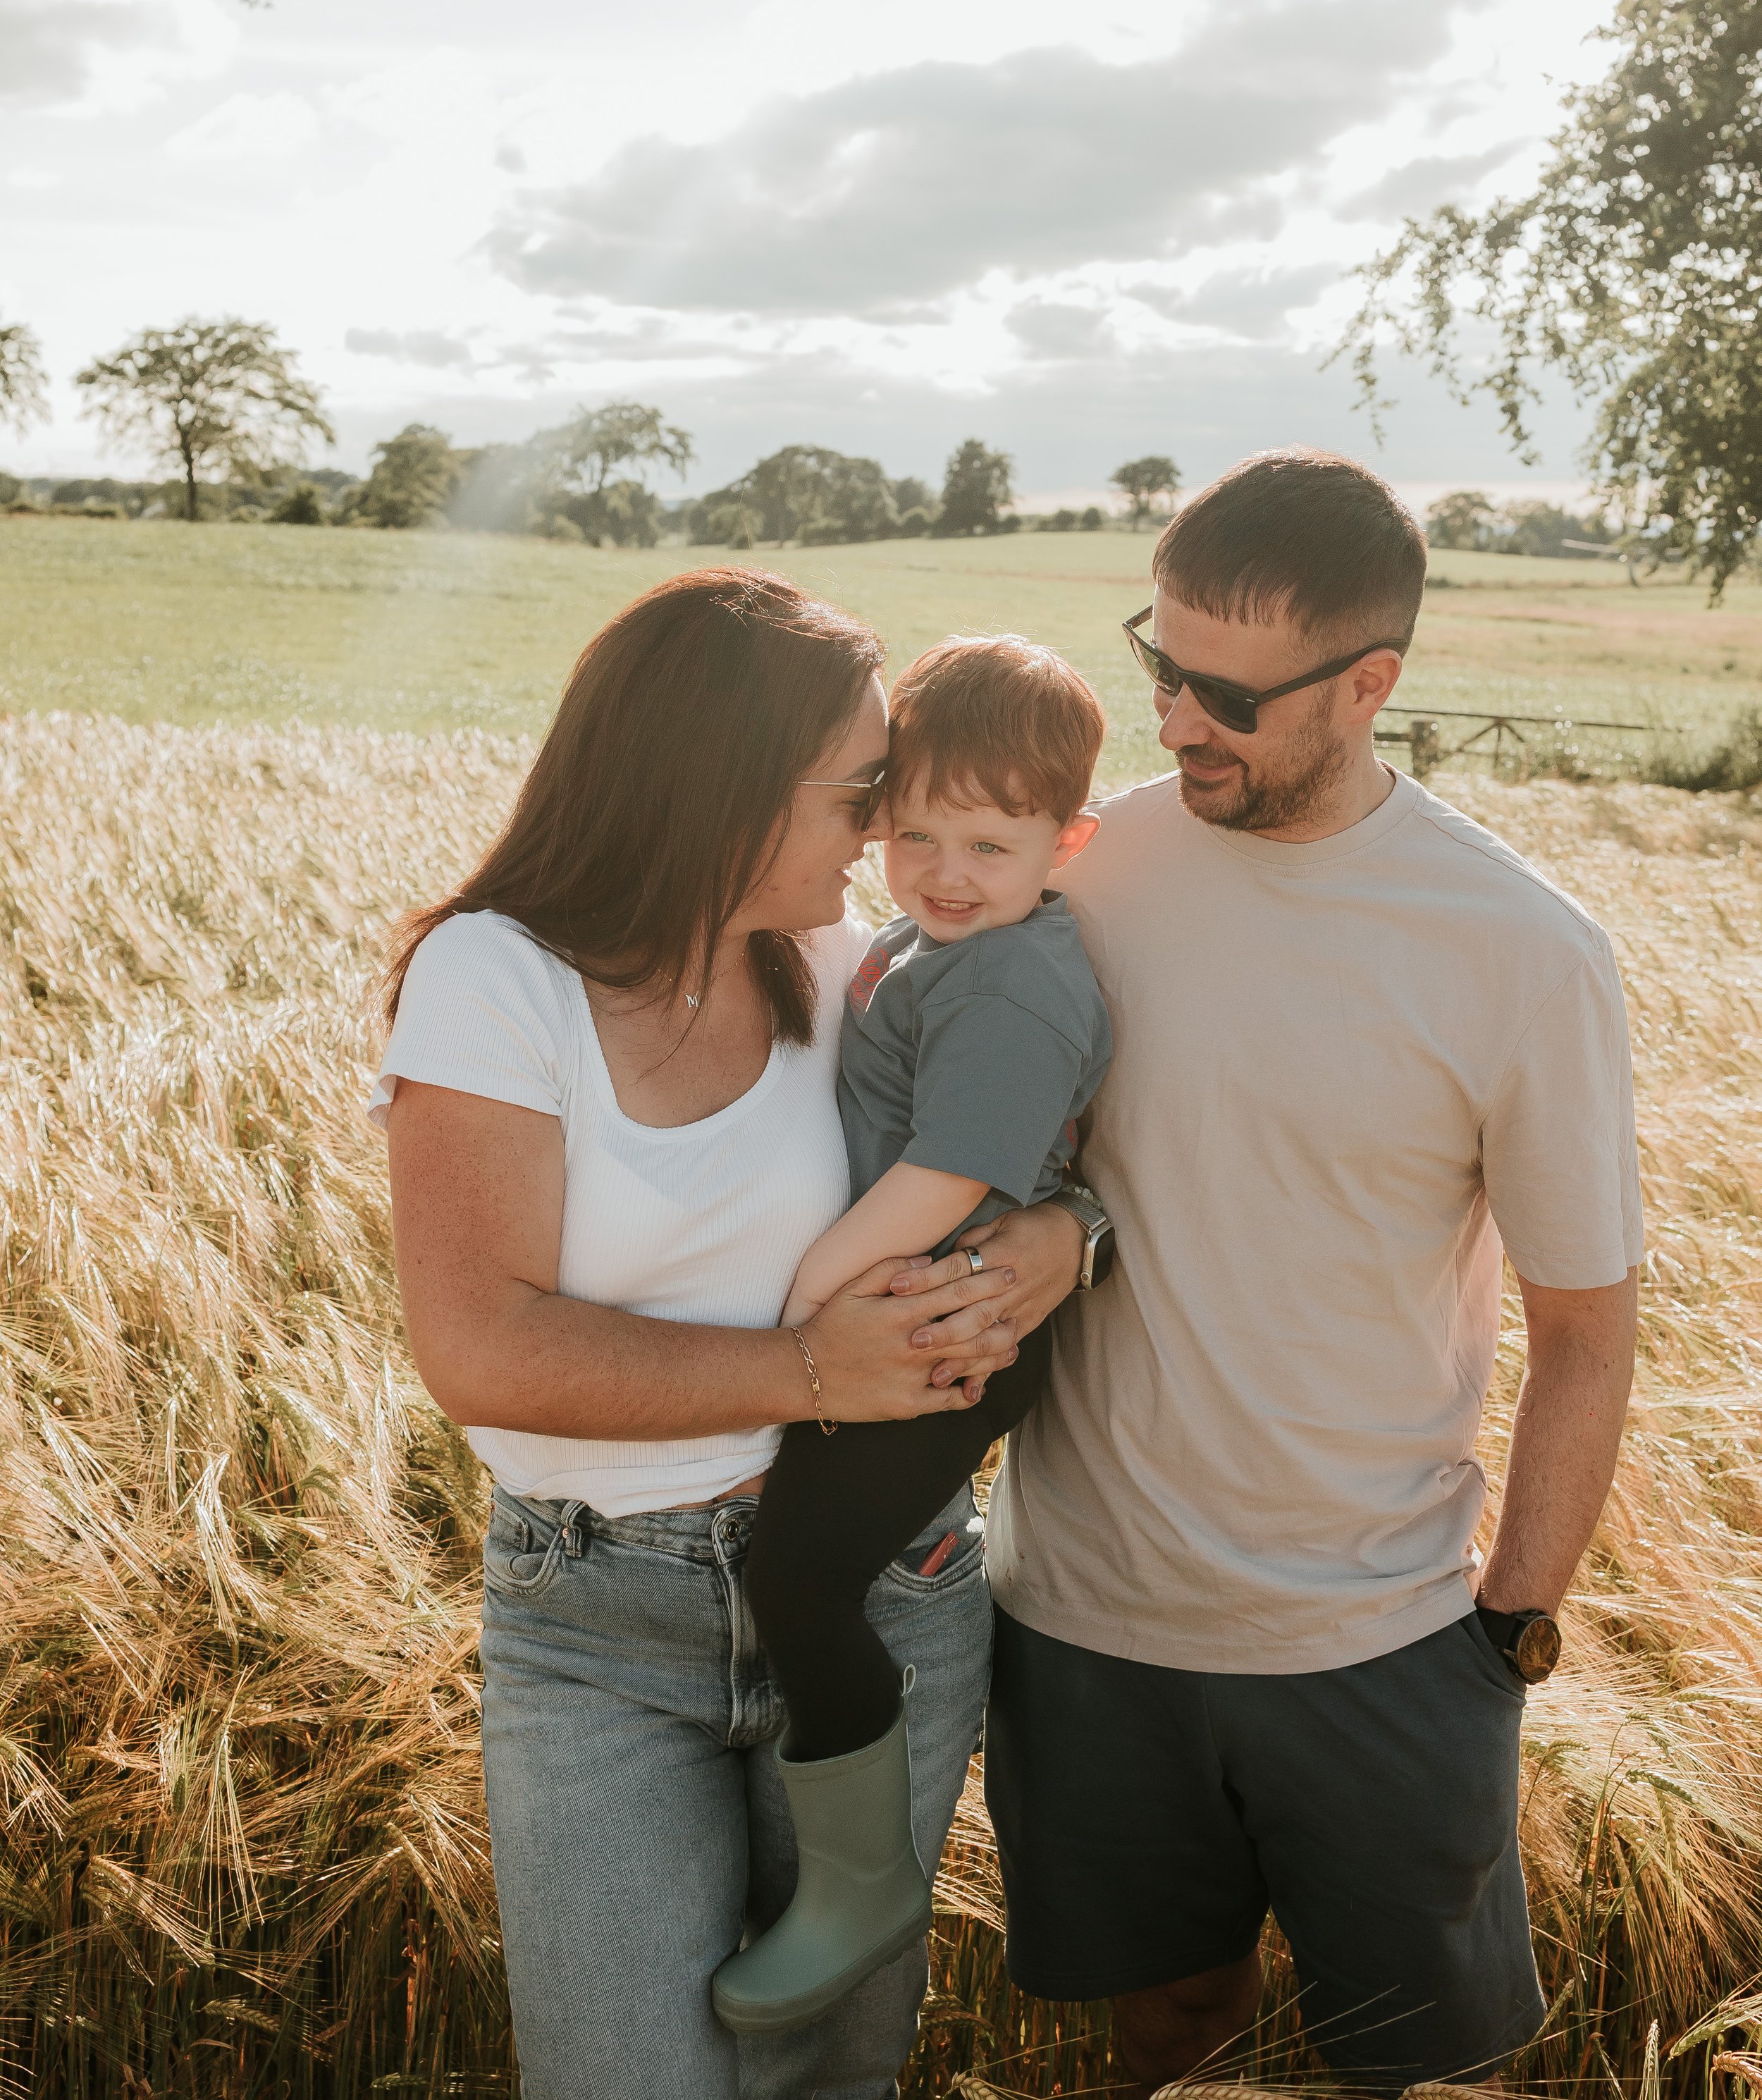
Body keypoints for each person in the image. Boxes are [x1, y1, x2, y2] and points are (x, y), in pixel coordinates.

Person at [981, 450, 1642, 2099]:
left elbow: (1585, 1331)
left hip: (1380, 1649)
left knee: (1414, 2074)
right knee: (1164, 2036)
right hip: (1079, 1631)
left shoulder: (1518, 949)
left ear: (1368, 686)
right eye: (1158, 662)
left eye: (1222, 692)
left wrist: (1505, 1646)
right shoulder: (1076, 867)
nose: (1174, 720)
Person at [371, 569, 1083, 2100]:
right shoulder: (495, 979)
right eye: (860, 793)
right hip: (595, 1628)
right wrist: (810, 1370)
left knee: (830, 2081)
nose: (886, 835)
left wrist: (1066, 1233)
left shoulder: (852, 969)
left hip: (890, 1587)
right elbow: (482, 1342)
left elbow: (1026, 1124)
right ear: (724, 791)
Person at [714, 636, 1116, 2037]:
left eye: (990, 845)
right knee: (803, 1566)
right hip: (915, 1312)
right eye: (914, 834)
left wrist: (807, 1294)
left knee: (803, 1577)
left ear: (1065, 841)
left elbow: (949, 1178)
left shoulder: (1007, 978)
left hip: (950, 1336)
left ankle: (862, 1887)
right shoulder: (936, 938)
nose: (945, 871)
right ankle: (847, 1879)